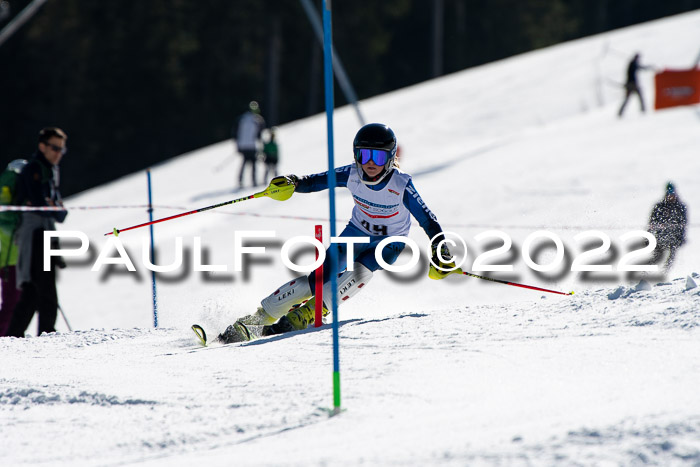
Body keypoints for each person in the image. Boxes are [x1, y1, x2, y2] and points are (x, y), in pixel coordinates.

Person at [218, 123, 455, 343]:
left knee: (360, 272)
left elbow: (427, 219)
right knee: (318, 278)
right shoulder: (351, 173)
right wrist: (293, 182)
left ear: (391, 158)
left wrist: (439, 246)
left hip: (389, 243)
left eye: (378, 156)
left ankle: (308, 314)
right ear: (356, 155)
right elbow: (316, 181)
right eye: (364, 155)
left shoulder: (400, 184)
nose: (370, 162)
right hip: (356, 232)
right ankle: (257, 319)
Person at [7, 127, 68, 337]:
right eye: (54, 147)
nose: (58, 153)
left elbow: (60, 213)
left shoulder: (50, 171)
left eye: (61, 149)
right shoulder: (35, 168)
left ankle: (13, 336)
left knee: (33, 290)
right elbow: (41, 205)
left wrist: (52, 206)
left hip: (43, 232)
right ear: (42, 146)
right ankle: (47, 332)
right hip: (34, 234)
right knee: (46, 286)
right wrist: (52, 206)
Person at [648, 182, 688, 271]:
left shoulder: (680, 207)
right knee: (657, 257)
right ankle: (646, 272)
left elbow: (683, 224)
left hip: (674, 237)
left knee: (671, 256)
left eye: (672, 194)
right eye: (669, 195)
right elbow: (652, 223)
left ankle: (664, 273)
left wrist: (681, 237)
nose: (671, 197)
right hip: (660, 236)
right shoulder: (659, 207)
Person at [234, 100, 266, 187]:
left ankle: (240, 180)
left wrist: (238, 145)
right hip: (252, 145)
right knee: (253, 163)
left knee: (244, 163)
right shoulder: (258, 120)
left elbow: (236, 133)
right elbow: (259, 134)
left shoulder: (242, 118)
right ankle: (254, 181)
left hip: (243, 145)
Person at [618, 53, 651, 117]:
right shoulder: (633, 63)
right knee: (639, 97)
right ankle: (643, 110)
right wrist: (647, 68)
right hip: (632, 84)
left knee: (628, 99)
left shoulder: (632, 63)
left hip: (629, 84)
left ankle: (620, 112)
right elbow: (640, 67)